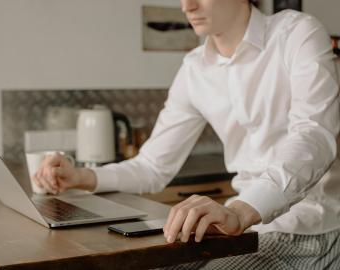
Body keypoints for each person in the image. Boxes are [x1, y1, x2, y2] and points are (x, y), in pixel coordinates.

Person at [33, 0, 340, 268]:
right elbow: (152, 167)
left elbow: (314, 135)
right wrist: (81, 177)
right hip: (239, 227)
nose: (186, 6)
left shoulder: (297, 32)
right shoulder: (195, 68)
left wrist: (241, 211)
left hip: (308, 228)